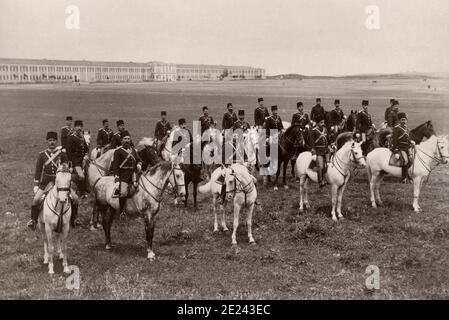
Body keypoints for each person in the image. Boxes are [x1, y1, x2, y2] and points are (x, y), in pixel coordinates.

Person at [27, 132, 77, 230]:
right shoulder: (42, 155)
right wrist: (36, 184)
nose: (52, 142)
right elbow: (38, 171)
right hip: (46, 182)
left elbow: (66, 168)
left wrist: (65, 168)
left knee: (75, 198)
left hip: (60, 182)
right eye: (50, 140)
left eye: (54, 140)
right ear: (47, 141)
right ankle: (33, 221)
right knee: (36, 199)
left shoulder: (62, 154)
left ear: (56, 141)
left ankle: (74, 219)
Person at [112, 133, 142, 216]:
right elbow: (115, 167)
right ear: (121, 140)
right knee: (123, 193)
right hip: (123, 175)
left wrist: (139, 164)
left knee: (141, 189)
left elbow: (139, 160)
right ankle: (122, 212)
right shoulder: (118, 151)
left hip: (134, 174)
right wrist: (117, 179)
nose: (127, 141)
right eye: (125, 139)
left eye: (128, 139)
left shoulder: (133, 150)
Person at [67, 120, 89, 201]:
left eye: (80, 126)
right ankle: (82, 192)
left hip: (83, 159)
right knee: (81, 176)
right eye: (77, 126)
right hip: (75, 160)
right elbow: (68, 151)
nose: (79, 128)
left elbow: (86, 148)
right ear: (74, 127)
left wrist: (86, 155)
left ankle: (86, 187)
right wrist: (70, 163)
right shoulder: (71, 137)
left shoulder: (82, 136)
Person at [392, 112, 415, 183]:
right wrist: (395, 149)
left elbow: (408, 138)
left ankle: (408, 176)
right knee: (405, 161)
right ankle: (403, 178)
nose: (403, 121)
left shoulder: (407, 128)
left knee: (411, 161)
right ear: (399, 120)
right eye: (402, 120)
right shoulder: (397, 128)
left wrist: (411, 141)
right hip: (401, 147)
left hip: (407, 147)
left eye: (405, 119)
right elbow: (394, 139)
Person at [310, 116, 329, 188]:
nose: (323, 124)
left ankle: (326, 179)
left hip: (326, 150)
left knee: (327, 165)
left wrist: (332, 144)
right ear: (317, 123)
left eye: (323, 122)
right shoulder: (314, 131)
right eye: (321, 122)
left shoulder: (325, 129)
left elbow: (328, 139)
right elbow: (312, 142)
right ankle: (320, 182)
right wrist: (313, 149)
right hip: (318, 150)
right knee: (320, 166)